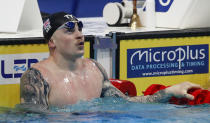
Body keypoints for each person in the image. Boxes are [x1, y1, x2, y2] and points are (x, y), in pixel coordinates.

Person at [20, 12, 201, 110]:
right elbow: (32, 119)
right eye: (69, 30)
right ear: (52, 41)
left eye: (79, 28)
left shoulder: (94, 69)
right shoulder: (37, 76)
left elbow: (125, 104)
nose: (79, 35)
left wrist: (169, 92)